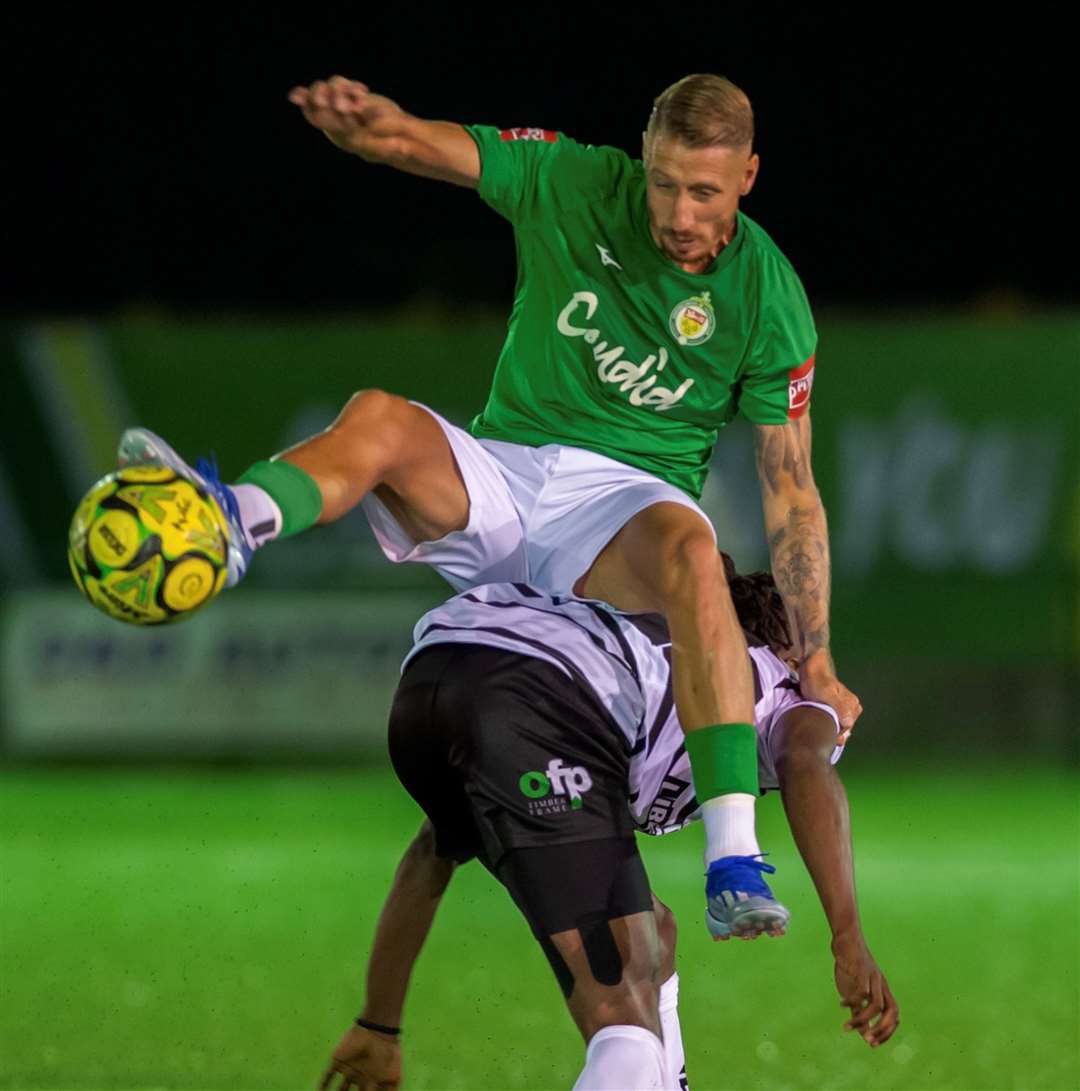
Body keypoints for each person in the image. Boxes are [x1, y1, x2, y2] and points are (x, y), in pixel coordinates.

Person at [118, 73, 861, 929]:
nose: (680, 213)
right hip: (505, 471)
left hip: (619, 511)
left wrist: (817, 655)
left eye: (704, 191)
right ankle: (223, 523)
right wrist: (370, 128)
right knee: (381, 419)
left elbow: (791, 493)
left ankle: (733, 859)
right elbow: (419, 142)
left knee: (694, 546)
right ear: (642, 160)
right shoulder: (576, 179)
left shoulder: (769, 298)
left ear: (748, 178)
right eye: (664, 182)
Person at [317, 562, 897, 1091]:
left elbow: (430, 858)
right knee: (624, 1023)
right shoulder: (777, 681)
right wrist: (847, 935)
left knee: (654, 933)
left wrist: (379, 1024)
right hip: (535, 695)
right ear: (790, 648)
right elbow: (806, 763)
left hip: (430, 680)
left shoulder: (655, 654)